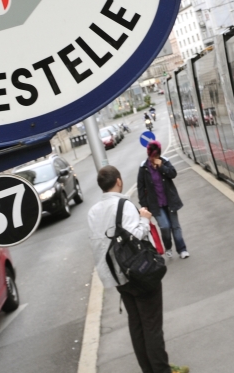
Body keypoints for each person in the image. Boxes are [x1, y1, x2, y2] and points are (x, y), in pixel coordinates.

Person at [87, 165, 189, 373]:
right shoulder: (124, 205)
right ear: (118, 181)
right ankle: (161, 370)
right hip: (139, 274)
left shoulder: (93, 212)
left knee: (137, 325)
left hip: (118, 276)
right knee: (151, 325)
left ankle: (149, 370)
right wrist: (144, 217)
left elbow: (98, 245)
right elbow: (137, 235)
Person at [138, 141, 189, 259]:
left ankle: (182, 249)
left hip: (170, 200)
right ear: (149, 155)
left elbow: (173, 174)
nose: (154, 158)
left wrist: (161, 166)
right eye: (152, 156)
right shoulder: (143, 167)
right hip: (156, 204)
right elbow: (140, 187)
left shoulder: (165, 161)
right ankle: (168, 247)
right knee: (165, 226)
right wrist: (144, 204)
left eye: (156, 156)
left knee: (175, 226)